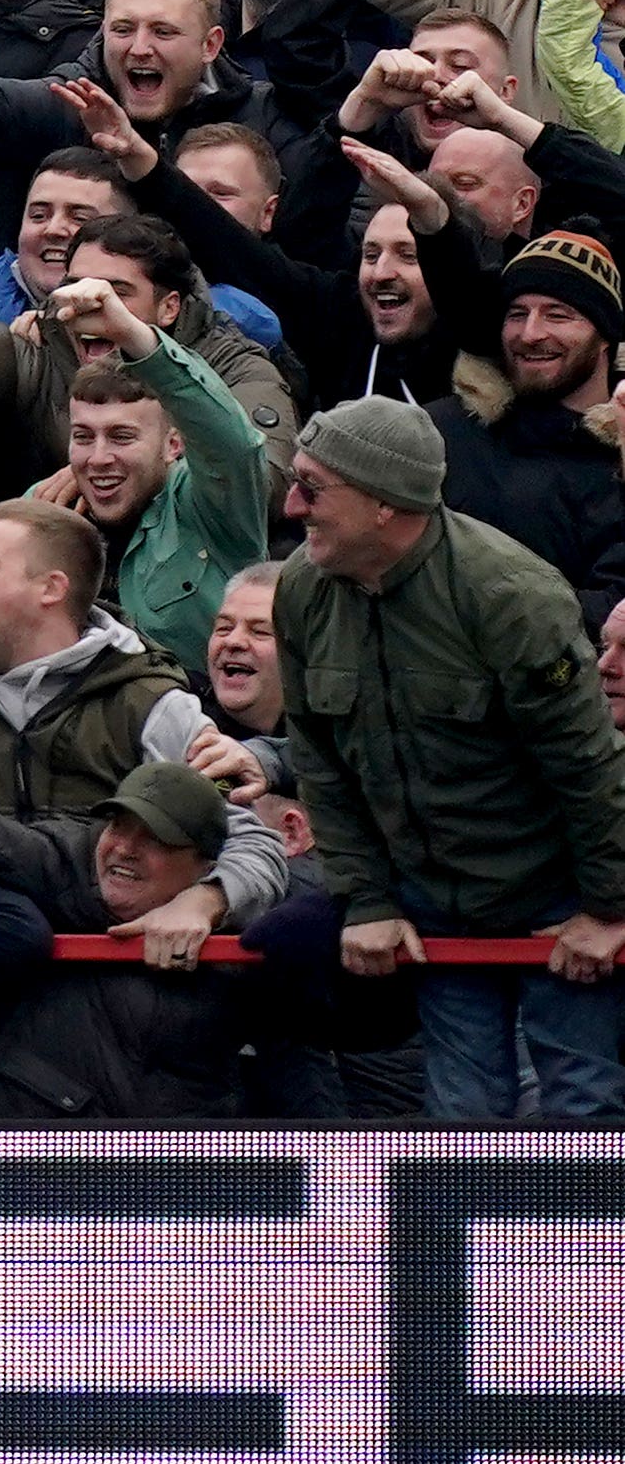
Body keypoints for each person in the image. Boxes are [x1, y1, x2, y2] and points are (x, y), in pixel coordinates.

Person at [273, 397, 625, 1119]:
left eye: (313, 487)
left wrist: (610, 907)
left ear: (384, 503)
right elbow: (321, 764)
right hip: (429, 898)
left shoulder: (509, 597)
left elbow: (586, 766)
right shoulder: (303, 593)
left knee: (581, 1108)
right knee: (460, 1117)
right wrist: (365, 897)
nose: (290, 505)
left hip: (553, 894)